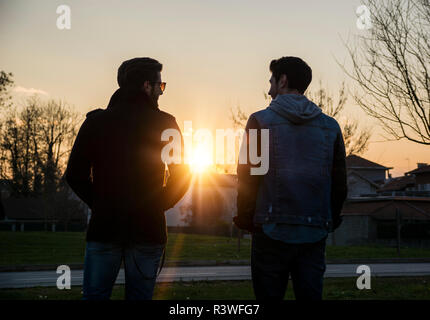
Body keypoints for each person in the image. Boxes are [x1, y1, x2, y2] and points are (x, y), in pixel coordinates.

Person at [66, 57, 191, 300]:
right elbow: (182, 175)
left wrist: (101, 203)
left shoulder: (96, 122)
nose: (161, 92)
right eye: (160, 86)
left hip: (105, 228)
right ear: (146, 86)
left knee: (95, 296)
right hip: (148, 229)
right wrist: (157, 205)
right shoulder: (166, 123)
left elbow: (74, 174)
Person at [233, 56, 348, 300]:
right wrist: (331, 218)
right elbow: (339, 182)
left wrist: (245, 217)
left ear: (283, 81)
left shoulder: (260, 121)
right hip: (314, 230)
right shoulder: (331, 127)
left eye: (271, 82)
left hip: (270, 229)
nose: (269, 89)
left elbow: (248, 175)